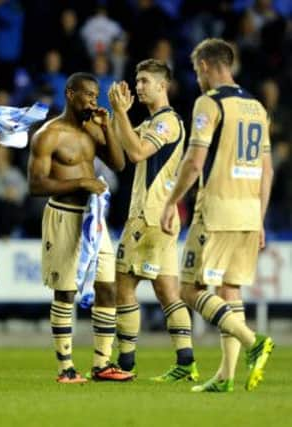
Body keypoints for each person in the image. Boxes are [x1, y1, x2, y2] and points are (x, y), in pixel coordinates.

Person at [160, 38, 274, 393]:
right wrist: (260, 218)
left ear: (207, 66)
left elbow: (195, 162)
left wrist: (170, 202)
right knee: (230, 289)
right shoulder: (256, 107)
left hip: (217, 210)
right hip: (249, 212)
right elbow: (267, 171)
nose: (197, 78)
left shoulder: (209, 103)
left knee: (190, 289)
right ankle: (226, 376)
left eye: (197, 71)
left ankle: (252, 340)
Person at [28, 72, 133, 383]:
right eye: (87, 94)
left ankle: (101, 364)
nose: (93, 100)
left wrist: (107, 127)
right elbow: (35, 185)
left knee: (107, 287)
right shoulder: (49, 134)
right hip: (63, 215)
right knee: (66, 291)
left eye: (95, 94)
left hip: (93, 220)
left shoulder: (91, 129)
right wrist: (81, 182)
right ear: (70, 93)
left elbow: (118, 163)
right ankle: (65, 368)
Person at [108, 59, 198, 381]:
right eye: (137, 79)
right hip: (164, 218)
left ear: (163, 86)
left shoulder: (166, 123)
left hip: (147, 216)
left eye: (145, 80)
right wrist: (108, 117)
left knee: (124, 286)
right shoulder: (152, 123)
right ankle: (186, 361)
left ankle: (125, 363)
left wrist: (119, 113)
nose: (139, 86)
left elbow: (136, 153)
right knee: (166, 291)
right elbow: (122, 144)